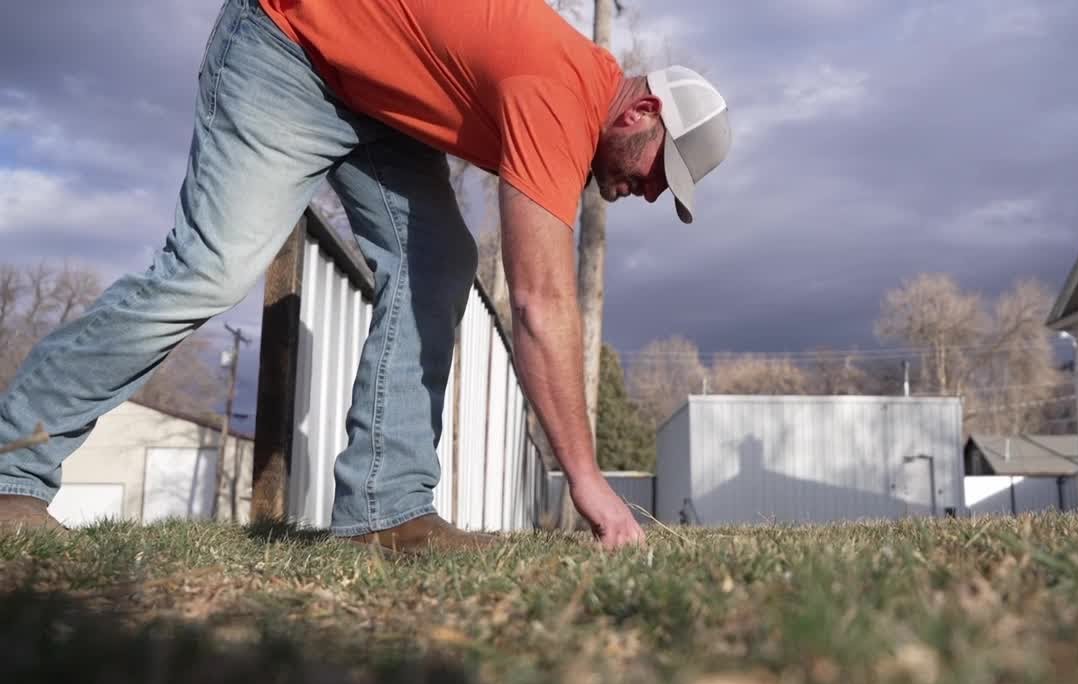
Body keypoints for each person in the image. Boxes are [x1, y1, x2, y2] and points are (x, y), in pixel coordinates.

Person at [0, 0, 731, 551]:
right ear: (639, 111)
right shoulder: (557, 93)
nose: (645, 192)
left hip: (375, 97)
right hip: (288, 45)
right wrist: (588, 481)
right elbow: (542, 304)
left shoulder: (571, 90)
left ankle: (386, 508)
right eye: (657, 171)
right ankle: (12, 472)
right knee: (209, 273)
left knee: (439, 262)